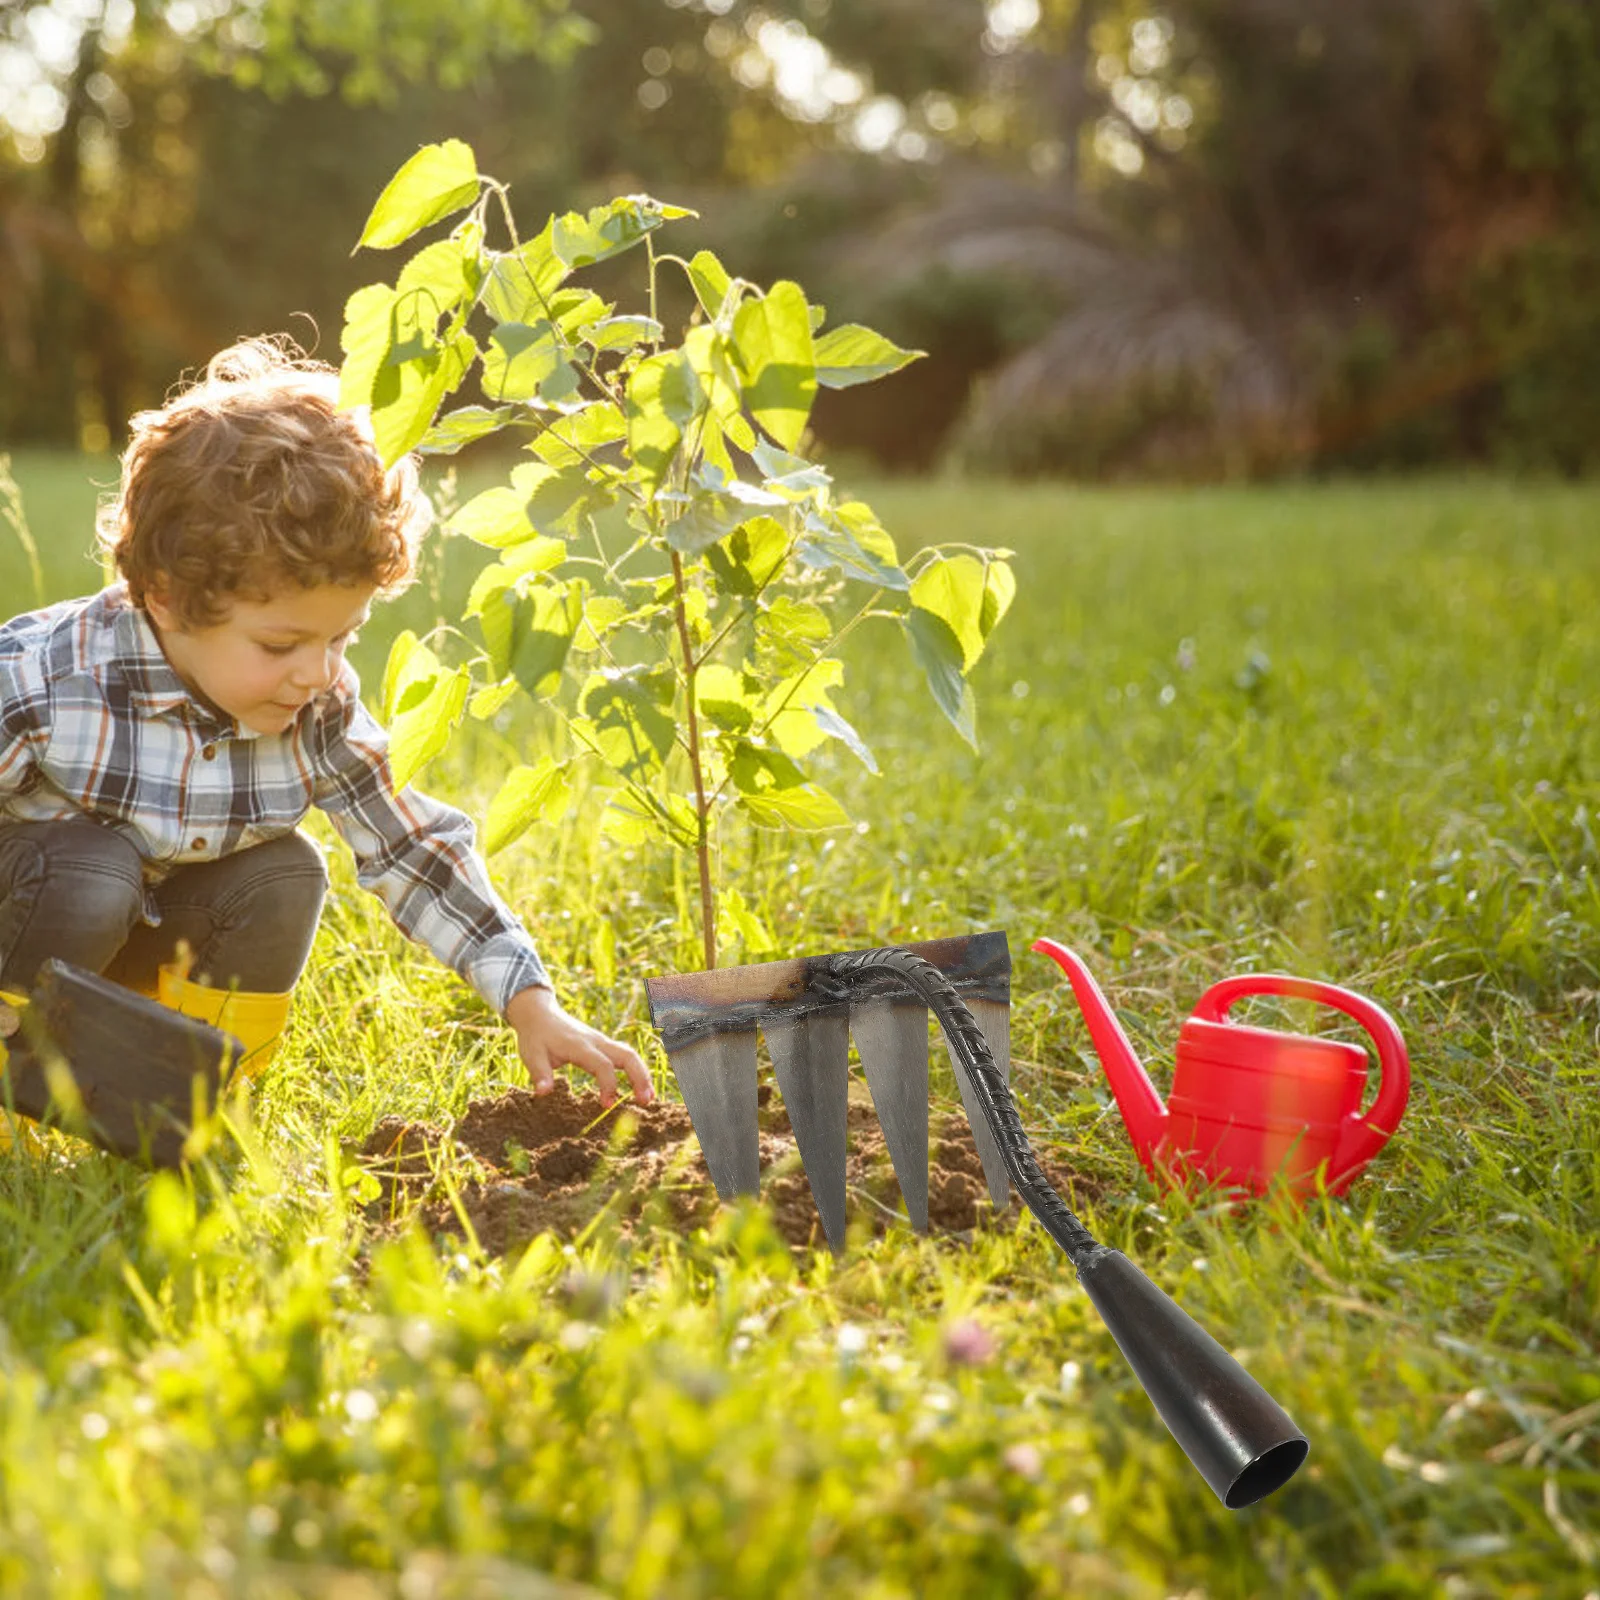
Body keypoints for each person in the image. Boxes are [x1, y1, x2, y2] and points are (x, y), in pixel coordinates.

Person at [0, 336, 652, 1108]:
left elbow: (412, 845)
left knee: (284, 874)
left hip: (130, 954)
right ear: (166, 596)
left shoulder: (316, 706)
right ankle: (15, 1082)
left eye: (340, 637)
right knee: (93, 874)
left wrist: (530, 1001)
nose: (317, 672)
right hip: (29, 925)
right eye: (281, 644)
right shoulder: (46, 680)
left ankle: (182, 1101)